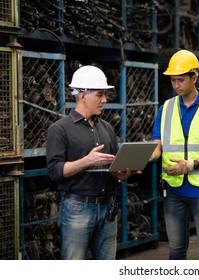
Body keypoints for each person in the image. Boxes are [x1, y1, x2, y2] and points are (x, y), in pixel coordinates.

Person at [46, 65, 139, 260]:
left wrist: (122, 173)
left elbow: (113, 167)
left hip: (107, 209)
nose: (104, 100)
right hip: (77, 210)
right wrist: (87, 161)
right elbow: (55, 171)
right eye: (99, 95)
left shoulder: (106, 128)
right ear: (82, 95)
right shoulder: (60, 129)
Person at [150, 49, 199, 260]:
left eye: (181, 80)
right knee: (176, 249)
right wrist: (146, 156)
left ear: (194, 77)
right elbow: (157, 145)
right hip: (174, 188)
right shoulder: (165, 108)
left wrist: (193, 164)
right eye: (172, 80)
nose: (176, 85)